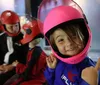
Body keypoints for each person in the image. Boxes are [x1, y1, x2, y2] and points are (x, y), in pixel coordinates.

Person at [41, 5, 100, 85]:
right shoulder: (58, 62)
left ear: (84, 36)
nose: (69, 43)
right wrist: (51, 69)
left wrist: (90, 83)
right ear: (55, 46)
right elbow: (51, 82)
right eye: (61, 40)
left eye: (74, 35)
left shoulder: (92, 69)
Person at [4, 19, 47, 85]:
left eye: (25, 33)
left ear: (31, 34)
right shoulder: (33, 50)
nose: (23, 36)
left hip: (35, 80)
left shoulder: (36, 53)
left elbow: (28, 73)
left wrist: (17, 65)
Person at [0, 10, 28, 85]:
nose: (14, 29)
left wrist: (10, 66)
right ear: (4, 27)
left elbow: (25, 59)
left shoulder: (24, 37)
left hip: (16, 69)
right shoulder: (1, 38)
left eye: (16, 25)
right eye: (10, 27)